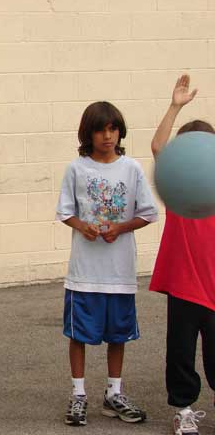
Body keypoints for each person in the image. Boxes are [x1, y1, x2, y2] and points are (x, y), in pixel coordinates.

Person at [56, 101, 158, 427]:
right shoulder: (76, 169)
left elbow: (148, 213)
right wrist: (81, 225)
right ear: (88, 133)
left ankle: (114, 393)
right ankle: (78, 394)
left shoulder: (132, 169)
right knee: (79, 334)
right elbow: (65, 211)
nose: (108, 136)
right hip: (84, 273)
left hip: (119, 271)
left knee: (118, 335)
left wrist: (121, 227)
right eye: (100, 130)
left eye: (113, 129)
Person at [150, 74, 215, 435]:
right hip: (185, 288)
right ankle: (184, 409)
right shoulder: (179, 193)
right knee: (180, 354)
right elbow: (159, 147)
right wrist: (174, 107)